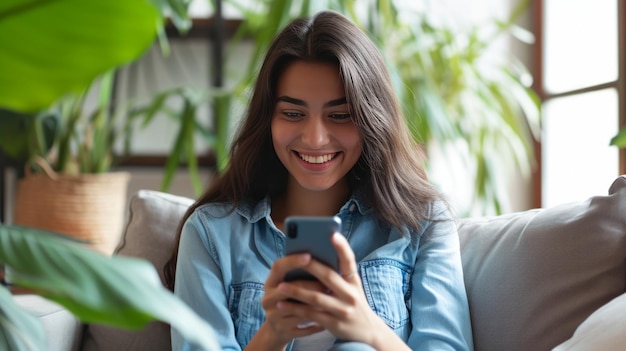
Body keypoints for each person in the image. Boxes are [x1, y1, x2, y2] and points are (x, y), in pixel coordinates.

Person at [165, 10, 473, 351]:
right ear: (268, 119)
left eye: (339, 115)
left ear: (371, 118)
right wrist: (273, 335)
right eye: (293, 114)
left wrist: (369, 329)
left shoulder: (422, 221)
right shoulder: (210, 234)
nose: (315, 139)